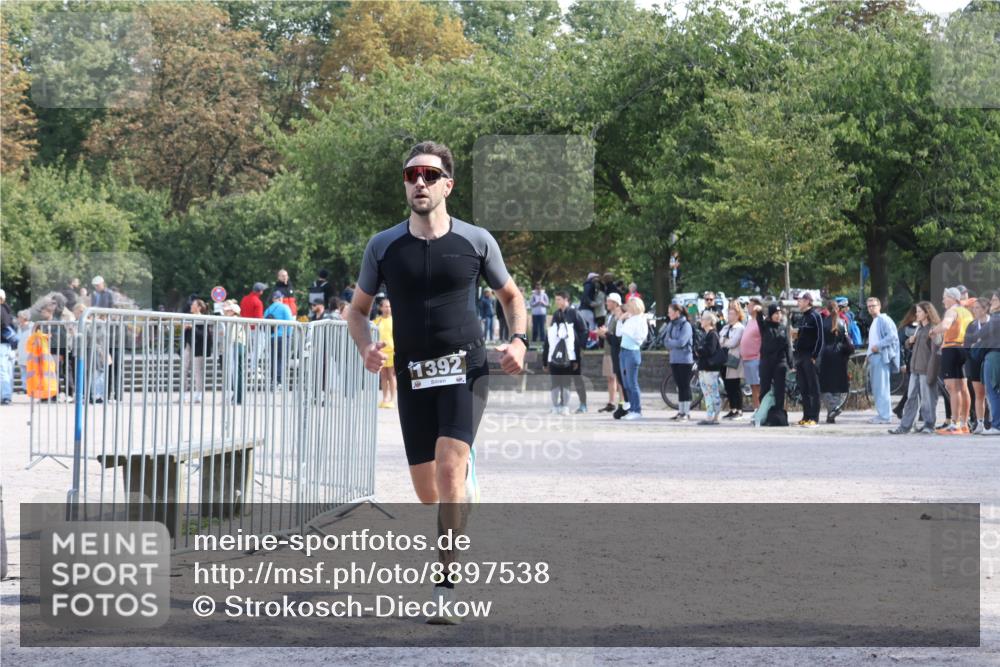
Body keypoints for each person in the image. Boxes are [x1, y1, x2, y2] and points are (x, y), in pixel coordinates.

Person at [347, 141, 526, 624]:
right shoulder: (383, 246)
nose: (419, 183)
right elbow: (357, 311)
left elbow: (511, 296)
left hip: (466, 370)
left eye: (429, 175)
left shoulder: (476, 241)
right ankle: (464, 476)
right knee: (428, 493)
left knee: (448, 473)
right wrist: (366, 347)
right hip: (412, 375)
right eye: (411, 176)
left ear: (448, 184)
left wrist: (518, 340)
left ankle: (444, 587)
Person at [889, 301, 941, 434]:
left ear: (927, 313)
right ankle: (905, 426)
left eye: (919, 311)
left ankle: (929, 425)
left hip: (926, 369)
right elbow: (909, 345)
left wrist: (934, 338)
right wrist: (909, 341)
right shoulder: (918, 328)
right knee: (911, 398)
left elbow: (938, 347)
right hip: (915, 369)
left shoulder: (934, 328)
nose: (916, 314)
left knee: (928, 399)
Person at [931, 287, 973, 435]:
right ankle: (964, 423)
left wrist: (933, 330)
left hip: (951, 348)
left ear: (953, 298)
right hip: (964, 349)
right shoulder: (967, 312)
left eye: (944, 297)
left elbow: (945, 326)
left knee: (952, 388)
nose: (942, 300)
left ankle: (954, 424)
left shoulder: (952, 311)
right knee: (963, 387)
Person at [543, 291, 588, 414]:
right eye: (556, 299)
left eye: (559, 299)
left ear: (566, 300)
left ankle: (583, 404)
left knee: (577, 378)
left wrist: (580, 347)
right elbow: (552, 334)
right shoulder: (556, 314)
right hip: (559, 354)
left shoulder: (574, 312)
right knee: (560, 380)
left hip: (573, 352)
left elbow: (584, 330)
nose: (556, 302)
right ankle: (561, 405)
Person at [819, 300, 856, 424]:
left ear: (827, 309)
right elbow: (846, 337)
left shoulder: (823, 322)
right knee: (837, 385)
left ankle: (833, 408)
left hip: (826, 354)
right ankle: (833, 412)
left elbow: (820, 340)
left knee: (824, 385)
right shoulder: (843, 322)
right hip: (840, 355)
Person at [755, 303, 792, 424]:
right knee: (764, 388)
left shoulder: (783, 327)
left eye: (779, 313)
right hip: (766, 361)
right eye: (775, 313)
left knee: (779, 390)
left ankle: (778, 415)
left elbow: (787, 346)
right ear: (770, 315)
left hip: (780, 362)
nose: (778, 315)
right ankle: (764, 413)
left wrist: (791, 364)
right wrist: (759, 311)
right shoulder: (765, 326)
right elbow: (759, 319)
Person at [865, 296, 900, 425]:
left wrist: (877, 346)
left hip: (880, 356)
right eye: (869, 306)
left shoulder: (883, 319)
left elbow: (892, 336)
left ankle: (884, 416)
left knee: (881, 387)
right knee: (878, 387)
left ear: (879, 306)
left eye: (873, 305)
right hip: (875, 357)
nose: (871, 308)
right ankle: (884, 413)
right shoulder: (875, 321)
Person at [793, 292, 825, 428]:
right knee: (804, 387)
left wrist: (814, 356)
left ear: (807, 301)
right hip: (800, 356)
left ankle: (814, 417)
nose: (797, 303)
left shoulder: (815, 316)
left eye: (799, 300)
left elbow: (820, 338)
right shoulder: (803, 317)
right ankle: (806, 416)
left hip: (809, 356)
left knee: (813, 388)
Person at [616, 296, 647, 420]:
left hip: (632, 352)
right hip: (623, 351)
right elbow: (618, 333)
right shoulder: (629, 319)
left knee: (632, 383)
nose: (627, 308)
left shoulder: (640, 320)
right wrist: (620, 320)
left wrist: (628, 332)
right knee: (626, 383)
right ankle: (632, 409)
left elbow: (640, 338)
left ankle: (637, 410)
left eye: (629, 305)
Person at [964, 297, 991, 434]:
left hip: (990, 361)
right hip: (975, 362)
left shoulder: (994, 323)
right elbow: (966, 344)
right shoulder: (972, 325)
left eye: (977, 308)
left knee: (991, 394)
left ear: (985, 309)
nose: (974, 310)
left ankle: (991, 421)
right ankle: (980, 423)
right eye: (973, 308)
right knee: (979, 394)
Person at [665, 302, 694, 421]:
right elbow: (665, 341)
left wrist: (672, 342)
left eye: (670, 312)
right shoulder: (671, 325)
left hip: (685, 360)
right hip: (674, 359)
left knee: (685, 385)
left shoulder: (686, 325)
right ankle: (680, 411)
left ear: (677, 313)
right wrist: (673, 342)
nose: (668, 314)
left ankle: (686, 412)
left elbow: (682, 342)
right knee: (679, 386)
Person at [597, 293, 624, 414]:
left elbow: (616, 333)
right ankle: (611, 402)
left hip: (616, 350)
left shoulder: (619, 315)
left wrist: (605, 332)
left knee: (619, 378)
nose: (606, 303)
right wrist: (601, 333)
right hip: (608, 349)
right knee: (610, 377)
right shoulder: (609, 315)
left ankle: (622, 402)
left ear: (615, 303)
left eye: (609, 301)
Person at [695, 312, 724, 424]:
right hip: (704, 368)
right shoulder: (706, 334)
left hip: (710, 369)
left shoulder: (713, 335)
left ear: (708, 321)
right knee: (706, 393)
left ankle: (715, 415)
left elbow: (710, 350)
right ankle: (709, 414)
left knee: (713, 391)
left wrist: (699, 351)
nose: (700, 321)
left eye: (702, 319)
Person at [182, 299, 213, 403]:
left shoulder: (203, 319)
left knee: (197, 371)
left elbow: (204, 335)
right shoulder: (188, 317)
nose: (191, 306)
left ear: (199, 307)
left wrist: (192, 327)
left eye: (193, 305)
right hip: (188, 347)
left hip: (198, 348)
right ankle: (183, 394)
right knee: (184, 370)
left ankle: (198, 394)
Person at [719, 301, 746, 419]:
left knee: (735, 385)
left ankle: (739, 410)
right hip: (723, 358)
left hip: (733, 358)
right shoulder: (726, 327)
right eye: (728, 314)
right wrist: (725, 342)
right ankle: (732, 408)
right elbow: (720, 341)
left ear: (737, 315)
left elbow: (733, 342)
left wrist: (725, 342)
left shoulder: (740, 328)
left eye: (731, 314)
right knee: (727, 385)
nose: (729, 316)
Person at [264, 291, 295, 387]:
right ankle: (279, 381)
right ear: (280, 298)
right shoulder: (285, 307)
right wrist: (290, 335)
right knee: (282, 359)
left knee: (273, 359)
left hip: (271, 337)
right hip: (283, 336)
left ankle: (274, 381)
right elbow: (290, 322)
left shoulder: (268, 310)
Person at [980, 290, 1000, 436]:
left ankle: (997, 425)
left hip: (993, 356)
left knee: (993, 392)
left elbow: (982, 334)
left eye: (994, 300)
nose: (991, 303)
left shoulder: (995, 318)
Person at [220, 300, 246, 404]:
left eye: (228, 311)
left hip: (236, 345)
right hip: (238, 345)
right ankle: (237, 396)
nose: (226, 312)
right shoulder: (235, 320)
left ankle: (238, 397)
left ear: (233, 312)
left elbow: (231, 336)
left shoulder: (233, 320)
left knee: (236, 372)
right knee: (237, 372)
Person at [373, 298, 397, 408]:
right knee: (383, 375)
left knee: (391, 375)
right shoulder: (377, 321)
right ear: (381, 308)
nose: (388, 309)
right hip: (381, 351)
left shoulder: (394, 319)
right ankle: (385, 398)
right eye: (386, 306)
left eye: (390, 306)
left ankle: (392, 398)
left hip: (391, 351)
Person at [740, 296, 763, 409]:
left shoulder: (760, 320)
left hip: (756, 358)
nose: (747, 307)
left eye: (749, 305)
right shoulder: (750, 321)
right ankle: (756, 410)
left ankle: (761, 410)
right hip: (747, 359)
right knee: (753, 387)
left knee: (758, 387)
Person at [0, 289, 15, 405]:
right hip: (5, 344)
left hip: (2, 344)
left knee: (2, 371)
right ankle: (5, 395)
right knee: (5, 370)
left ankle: (6, 396)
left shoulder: (1, 310)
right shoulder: (6, 310)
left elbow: (4, 325)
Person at [529, 283, 549, 349]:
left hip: (542, 314)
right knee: (535, 327)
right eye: (537, 289)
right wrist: (536, 303)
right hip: (535, 314)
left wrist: (543, 303)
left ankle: (542, 339)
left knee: (542, 327)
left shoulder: (544, 295)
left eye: (539, 288)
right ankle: (534, 339)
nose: (538, 290)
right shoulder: (533, 296)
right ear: (535, 289)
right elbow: (531, 304)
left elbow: (548, 305)